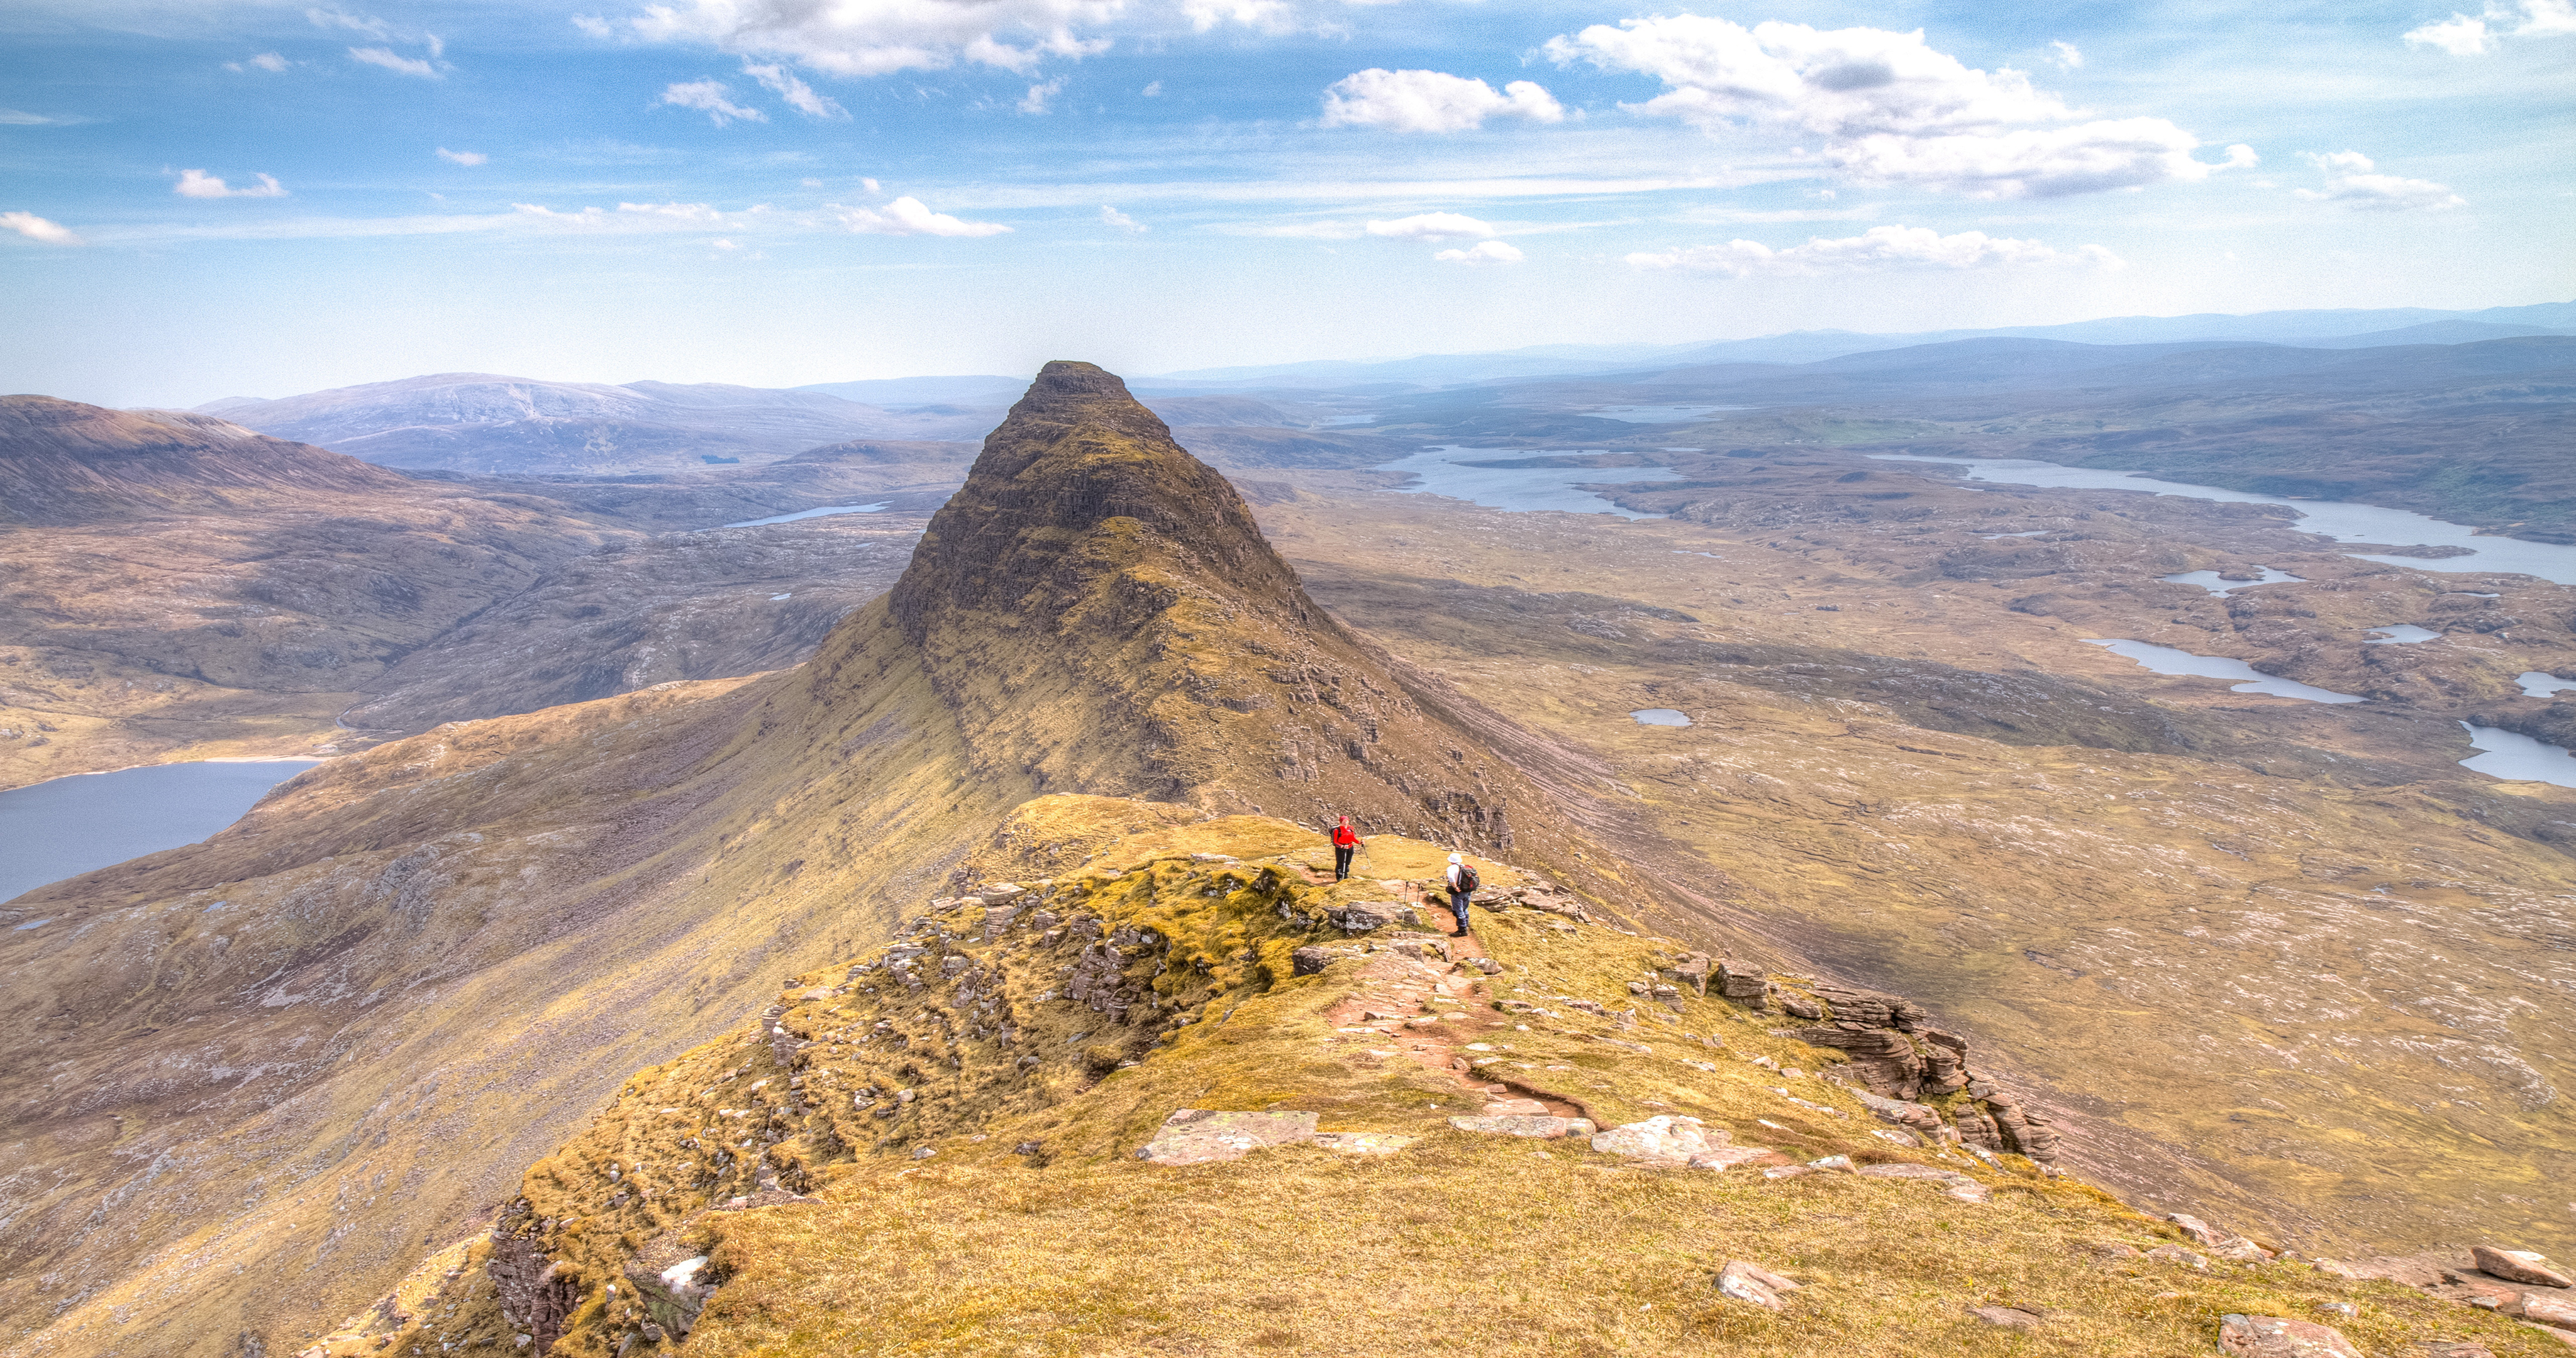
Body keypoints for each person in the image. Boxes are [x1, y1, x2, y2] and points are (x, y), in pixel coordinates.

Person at [1443, 852, 1480, 936]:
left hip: (1458, 891)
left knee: (1458, 910)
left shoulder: (1451, 868)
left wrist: (1455, 887)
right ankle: (1465, 925)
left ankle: (1462, 930)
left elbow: (1451, 877)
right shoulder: (1465, 867)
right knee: (1464, 908)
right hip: (1467, 891)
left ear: (1451, 860)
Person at [1330, 815, 1362, 881]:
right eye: (1344, 821)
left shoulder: (1351, 828)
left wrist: (1359, 842)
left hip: (1350, 847)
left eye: (1347, 821)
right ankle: (1339, 877)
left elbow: (1353, 838)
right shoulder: (1337, 830)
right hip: (1341, 849)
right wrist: (1342, 846)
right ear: (1341, 822)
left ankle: (1346, 875)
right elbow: (1334, 842)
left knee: (1348, 861)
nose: (1345, 822)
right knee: (1340, 862)